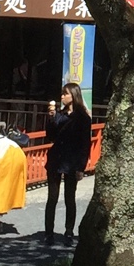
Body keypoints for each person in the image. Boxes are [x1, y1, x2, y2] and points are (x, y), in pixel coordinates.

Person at [43, 82, 92, 242]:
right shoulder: (59, 114)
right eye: (62, 94)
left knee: (70, 197)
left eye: (65, 94)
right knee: (52, 197)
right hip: (56, 158)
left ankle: (69, 230)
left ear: (74, 95)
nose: (62, 97)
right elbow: (50, 136)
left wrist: (81, 167)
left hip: (72, 159)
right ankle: (48, 232)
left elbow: (85, 143)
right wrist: (50, 119)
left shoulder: (83, 117)